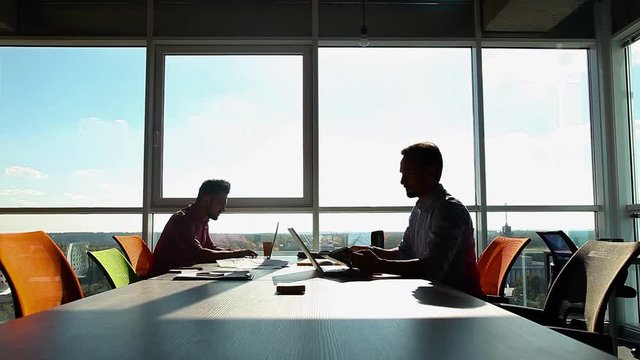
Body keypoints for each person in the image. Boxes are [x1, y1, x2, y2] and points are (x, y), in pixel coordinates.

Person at [349, 142, 482, 296]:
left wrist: (378, 264)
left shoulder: (449, 210)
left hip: (460, 301)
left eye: (408, 174)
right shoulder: (418, 210)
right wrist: (372, 252)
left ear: (430, 174)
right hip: (436, 296)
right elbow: (405, 252)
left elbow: (433, 269)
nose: (402, 181)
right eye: (402, 174)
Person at [151, 179, 258, 275]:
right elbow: (198, 255)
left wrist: (236, 253)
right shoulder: (182, 220)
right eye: (221, 204)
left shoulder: (203, 220)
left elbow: (210, 247)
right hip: (163, 280)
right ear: (206, 200)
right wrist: (235, 254)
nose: (223, 210)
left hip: (183, 275)